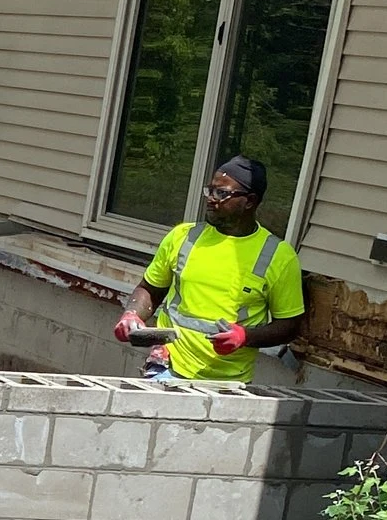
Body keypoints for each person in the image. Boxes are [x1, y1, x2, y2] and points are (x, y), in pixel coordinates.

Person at [113, 155, 305, 382]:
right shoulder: (183, 237)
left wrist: (245, 336)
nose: (211, 199)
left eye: (222, 193)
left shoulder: (278, 256)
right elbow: (150, 289)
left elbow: (289, 326)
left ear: (250, 201)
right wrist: (132, 314)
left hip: (227, 381)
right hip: (166, 366)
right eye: (210, 190)